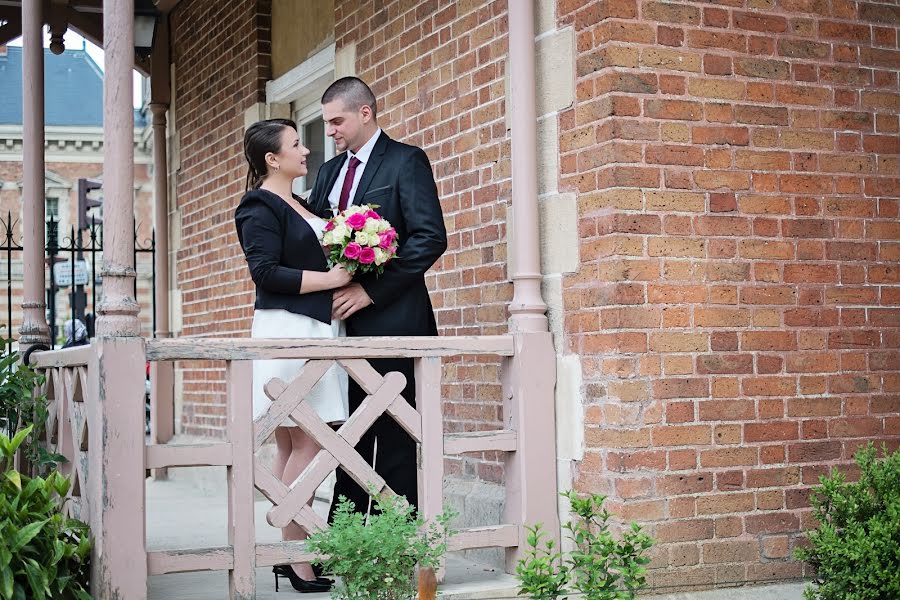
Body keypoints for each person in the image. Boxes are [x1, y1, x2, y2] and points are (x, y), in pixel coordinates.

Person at [308, 77, 447, 522]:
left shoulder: (406, 161)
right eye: (327, 122)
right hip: (338, 326)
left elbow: (429, 239)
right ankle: (343, 538)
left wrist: (370, 290)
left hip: (395, 320)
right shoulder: (328, 174)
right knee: (345, 431)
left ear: (364, 113)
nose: (330, 131)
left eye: (337, 120)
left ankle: (398, 544)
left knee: (394, 434)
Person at [234, 118, 351, 594]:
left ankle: (292, 554)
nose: (307, 151)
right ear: (273, 159)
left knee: (290, 444)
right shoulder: (258, 204)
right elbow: (265, 273)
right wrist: (333, 280)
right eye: (297, 144)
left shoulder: (299, 203)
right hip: (291, 329)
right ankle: (298, 555)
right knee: (310, 442)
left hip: (316, 326)